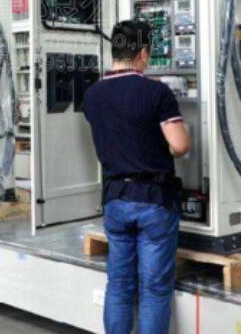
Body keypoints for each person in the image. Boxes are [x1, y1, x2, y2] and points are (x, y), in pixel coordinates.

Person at [82, 20, 192, 334]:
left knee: (118, 284)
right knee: (154, 288)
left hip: (115, 200)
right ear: (143, 53)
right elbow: (180, 145)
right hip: (153, 201)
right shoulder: (156, 92)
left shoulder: (93, 95)